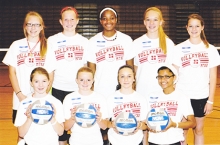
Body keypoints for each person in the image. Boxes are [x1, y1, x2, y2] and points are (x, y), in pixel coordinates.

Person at [2, 11, 56, 142]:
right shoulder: (16, 45)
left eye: (36, 25)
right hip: (20, 99)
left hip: (41, 97)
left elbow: (51, 73)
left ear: (42, 27)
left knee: (40, 133)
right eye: (30, 24)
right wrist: (20, 94)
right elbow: (11, 72)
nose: (33, 28)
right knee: (21, 135)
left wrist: (43, 94)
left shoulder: (48, 46)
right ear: (25, 26)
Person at [87, 8, 135, 144]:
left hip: (121, 89)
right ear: (100, 21)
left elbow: (130, 67)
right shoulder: (93, 41)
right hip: (101, 89)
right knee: (103, 126)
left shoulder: (126, 40)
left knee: (121, 123)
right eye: (105, 18)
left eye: (112, 18)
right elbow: (91, 69)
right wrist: (92, 92)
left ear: (116, 20)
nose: (108, 21)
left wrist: (131, 90)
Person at [172, 14, 220, 145]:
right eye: (191, 26)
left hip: (201, 97)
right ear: (186, 28)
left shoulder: (210, 50)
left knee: (198, 130)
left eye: (197, 26)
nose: (194, 29)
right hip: (182, 96)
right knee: (182, 132)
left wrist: (210, 100)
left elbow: (213, 76)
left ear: (202, 27)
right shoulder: (179, 49)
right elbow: (173, 74)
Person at [48, 6, 88, 145]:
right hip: (58, 89)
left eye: (72, 19)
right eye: (66, 19)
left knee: (79, 125)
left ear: (77, 21)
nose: (69, 22)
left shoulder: (84, 42)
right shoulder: (52, 40)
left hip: (78, 90)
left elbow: (86, 68)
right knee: (60, 130)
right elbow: (50, 68)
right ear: (61, 21)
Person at [145, 65, 196, 145]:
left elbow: (193, 123)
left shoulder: (182, 97)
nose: (162, 80)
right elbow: (145, 122)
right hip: (154, 141)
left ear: (174, 77)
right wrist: (149, 127)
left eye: (167, 77)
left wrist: (174, 124)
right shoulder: (151, 97)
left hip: (174, 141)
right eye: (160, 77)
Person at [14, 67, 64, 145]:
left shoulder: (56, 103)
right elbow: (21, 133)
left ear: (49, 82)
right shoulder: (24, 103)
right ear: (31, 83)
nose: (40, 85)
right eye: (36, 81)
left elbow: (60, 132)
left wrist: (53, 118)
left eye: (44, 81)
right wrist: (29, 118)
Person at [133, 7, 175, 98]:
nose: (151, 23)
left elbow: (173, 70)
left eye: (155, 20)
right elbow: (135, 70)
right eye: (148, 20)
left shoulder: (169, 43)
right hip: (142, 93)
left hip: (162, 94)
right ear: (144, 22)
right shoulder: (136, 43)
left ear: (160, 22)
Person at [63, 67, 108, 145]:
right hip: (76, 141)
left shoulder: (100, 98)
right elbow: (66, 127)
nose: (85, 83)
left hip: (96, 141)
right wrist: (72, 118)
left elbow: (104, 127)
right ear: (76, 80)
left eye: (88, 80)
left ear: (93, 80)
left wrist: (99, 119)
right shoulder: (69, 98)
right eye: (81, 80)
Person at [106, 65, 148, 145]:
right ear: (118, 79)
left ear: (134, 78)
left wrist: (139, 125)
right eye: (122, 76)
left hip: (136, 141)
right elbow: (105, 124)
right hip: (115, 141)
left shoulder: (141, 98)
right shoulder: (111, 98)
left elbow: (145, 126)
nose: (126, 79)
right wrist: (112, 124)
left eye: (129, 76)